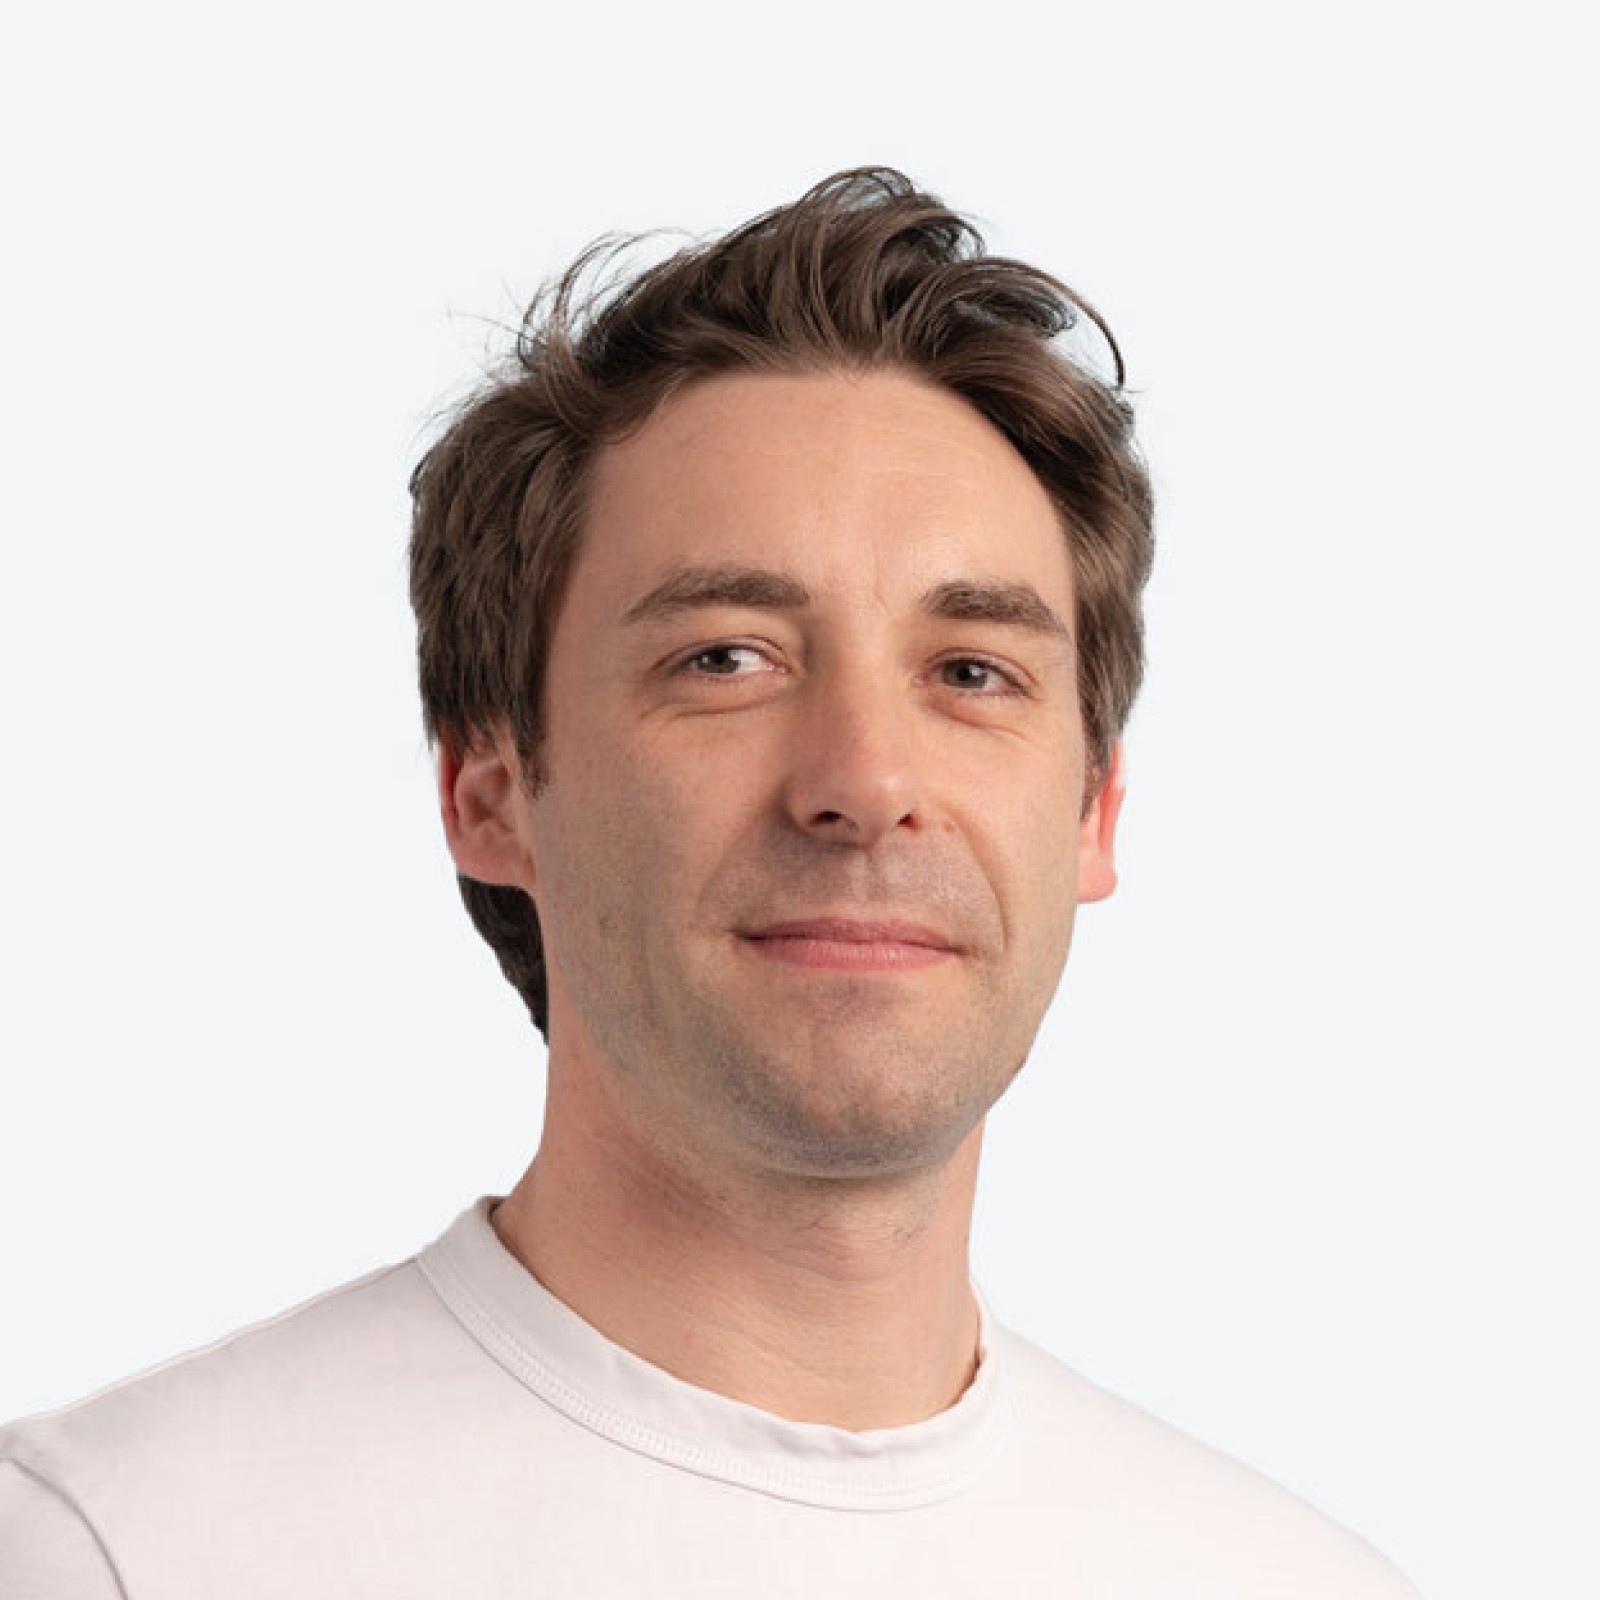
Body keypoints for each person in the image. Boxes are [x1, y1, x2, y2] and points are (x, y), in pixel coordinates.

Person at [0, 168, 1419, 1596]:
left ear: (1095, 810)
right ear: (489, 791)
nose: (867, 780)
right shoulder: (114, 1549)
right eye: (726, 657)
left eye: (972, 672)